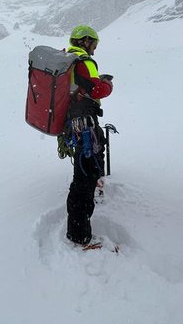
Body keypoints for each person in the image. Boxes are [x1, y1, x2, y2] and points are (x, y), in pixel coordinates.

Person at [62, 25, 113, 247]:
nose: (95, 48)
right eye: (94, 43)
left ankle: (78, 228)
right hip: (84, 125)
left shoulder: (68, 58)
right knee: (84, 179)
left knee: (83, 175)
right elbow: (97, 90)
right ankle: (79, 234)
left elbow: (82, 85)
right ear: (85, 41)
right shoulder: (83, 61)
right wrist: (107, 84)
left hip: (74, 122)